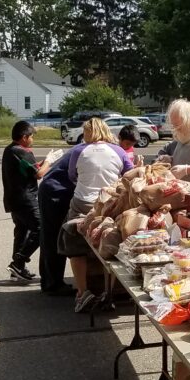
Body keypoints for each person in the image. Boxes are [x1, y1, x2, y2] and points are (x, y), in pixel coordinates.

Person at [60, 117, 134, 313]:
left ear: (88, 133)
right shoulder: (118, 150)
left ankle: (82, 291)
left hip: (82, 203)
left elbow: (71, 176)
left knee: (75, 244)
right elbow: (129, 174)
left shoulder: (78, 150)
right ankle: (108, 292)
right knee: (108, 246)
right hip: (107, 203)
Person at [1, 121, 52, 282]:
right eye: (31, 136)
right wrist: (50, 160)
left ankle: (18, 268)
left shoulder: (10, 150)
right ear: (24, 137)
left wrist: (44, 163)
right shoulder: (22, 151)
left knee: (21, 232)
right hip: (26, 199)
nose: (32, 139)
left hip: (13, 199)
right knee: (40, 228)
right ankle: (19, 261)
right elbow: (39, 174)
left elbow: (31, 168)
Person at [37, 157, 75, 296]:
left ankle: (50, 281)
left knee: (51, 236)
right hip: (55, 192)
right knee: (53, 237)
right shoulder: (89, 151)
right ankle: (52, 283)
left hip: (55, 189)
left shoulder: (89, 148)